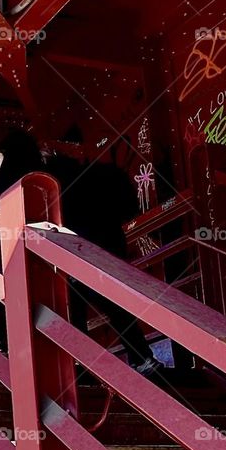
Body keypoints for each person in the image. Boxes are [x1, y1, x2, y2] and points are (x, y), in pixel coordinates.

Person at [50, 150, 160, 375]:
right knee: (113, 304)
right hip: (111, 246)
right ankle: (142, 357)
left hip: (80, 251)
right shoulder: (97, 175)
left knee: (74, 306)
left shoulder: (61, 186)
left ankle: (79, 363)